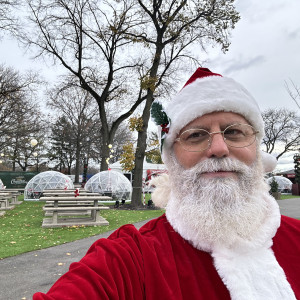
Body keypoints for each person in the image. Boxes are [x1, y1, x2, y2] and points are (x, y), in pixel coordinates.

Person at [33, 68, 300, 299]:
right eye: (195, 135)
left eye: (234, 132)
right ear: (172, 160)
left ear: (255, 147)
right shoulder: (131, 259)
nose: (219, 148)